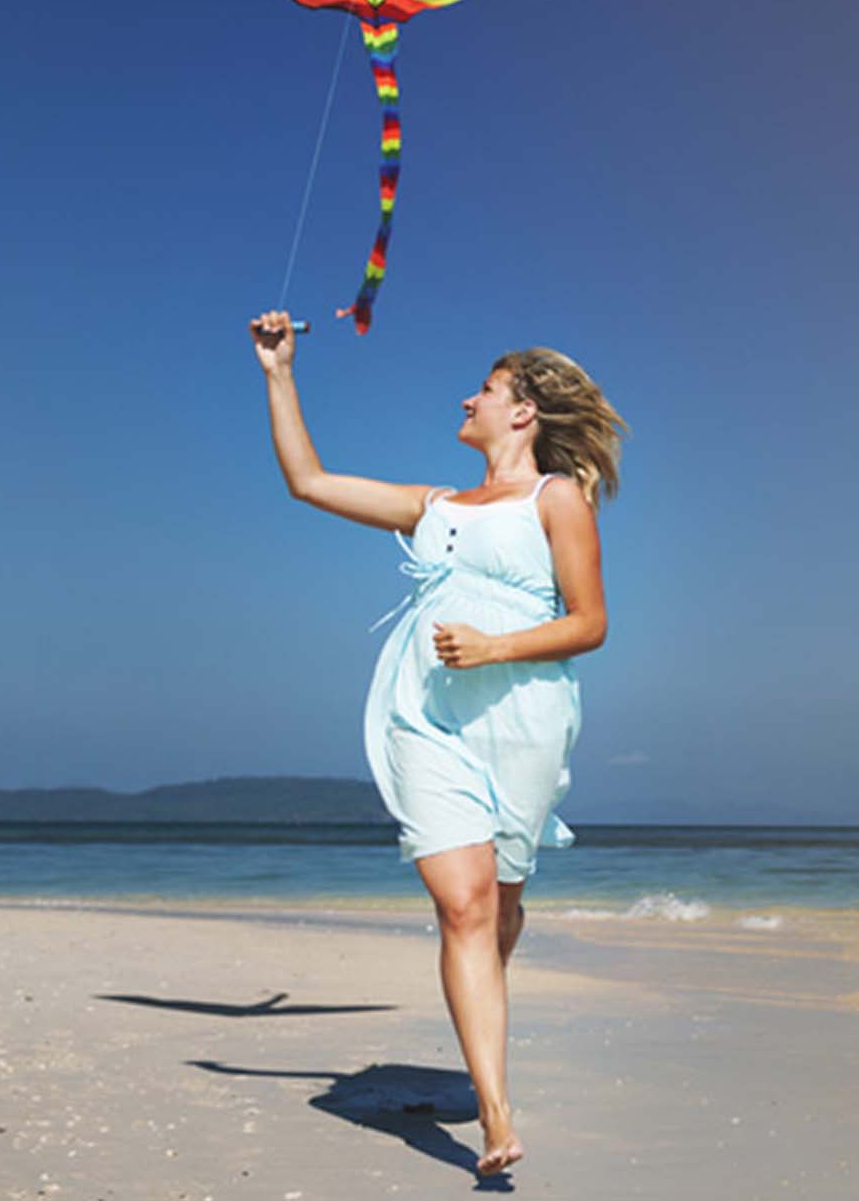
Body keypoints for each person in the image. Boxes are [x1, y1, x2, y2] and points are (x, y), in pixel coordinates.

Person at [248, 309, 627, 1176]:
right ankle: (495, 1116)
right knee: (462, 904)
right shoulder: (434, 505)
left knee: (499, 906)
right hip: (427, 717)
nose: (469, 398)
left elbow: (591, 623)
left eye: (486, 390)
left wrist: (494, 646)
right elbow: (306, 481)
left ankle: (485, 983)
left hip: (523, 720)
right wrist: (279, 372)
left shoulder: (555, 499)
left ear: (523, 411)